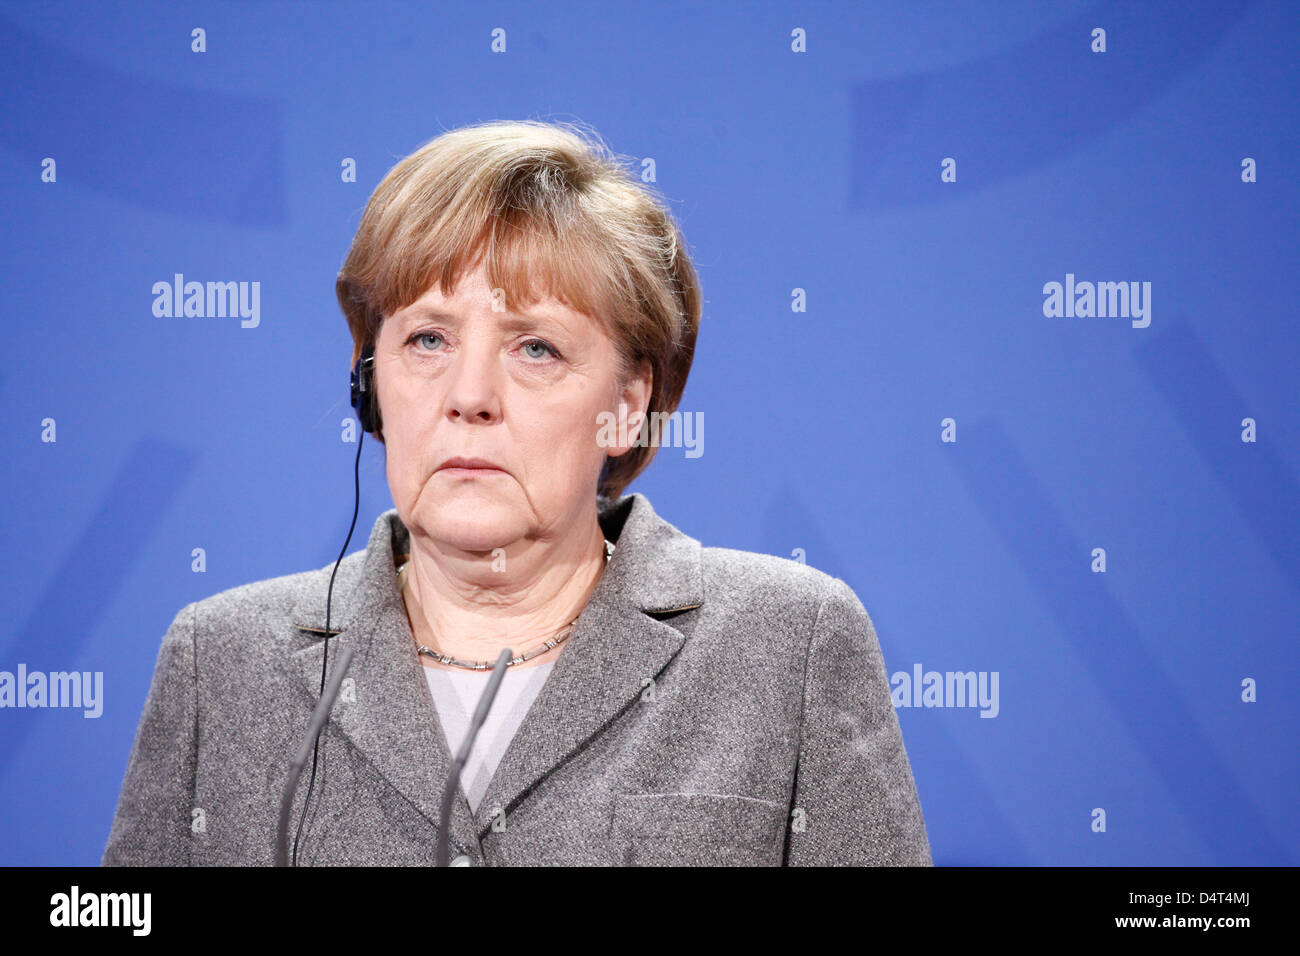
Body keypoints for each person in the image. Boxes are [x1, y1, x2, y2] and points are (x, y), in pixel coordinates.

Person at [102, 119, 931, 866]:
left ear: (625, 406)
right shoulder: (221, 661)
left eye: (535, 349)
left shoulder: (790, 644)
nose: (470, 395)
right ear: (371, 385)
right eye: (427, 339)